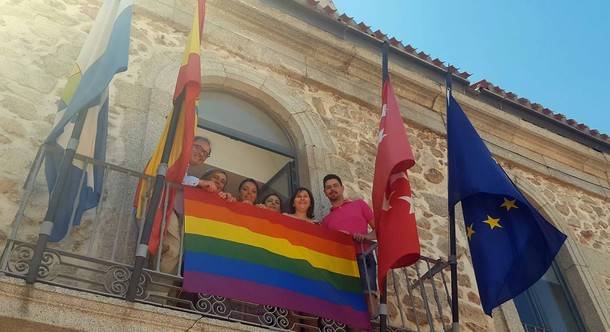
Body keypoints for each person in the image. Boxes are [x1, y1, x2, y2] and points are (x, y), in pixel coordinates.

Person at [320, 174, 378, 317]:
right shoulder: (325, 221)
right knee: (348, 303)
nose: (332, 189)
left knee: (368, 293)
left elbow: (379, 231)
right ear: (325, 193)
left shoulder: (359, 205)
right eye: (328, 187)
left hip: (363, 255)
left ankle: (373, 322)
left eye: (335, 186)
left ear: (342, 188)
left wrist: (365, 236)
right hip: (341, 262)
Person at [159, 136, 216, 275]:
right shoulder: (175, 157)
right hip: (160, 205)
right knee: (173, 250)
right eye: (198, 148)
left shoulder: (185, 166)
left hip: (170, 210)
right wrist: (200, 182)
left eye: (206, 153)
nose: (202, 154)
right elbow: (174, 176)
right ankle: (155, 294)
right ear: (188, 144)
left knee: (171, 251)